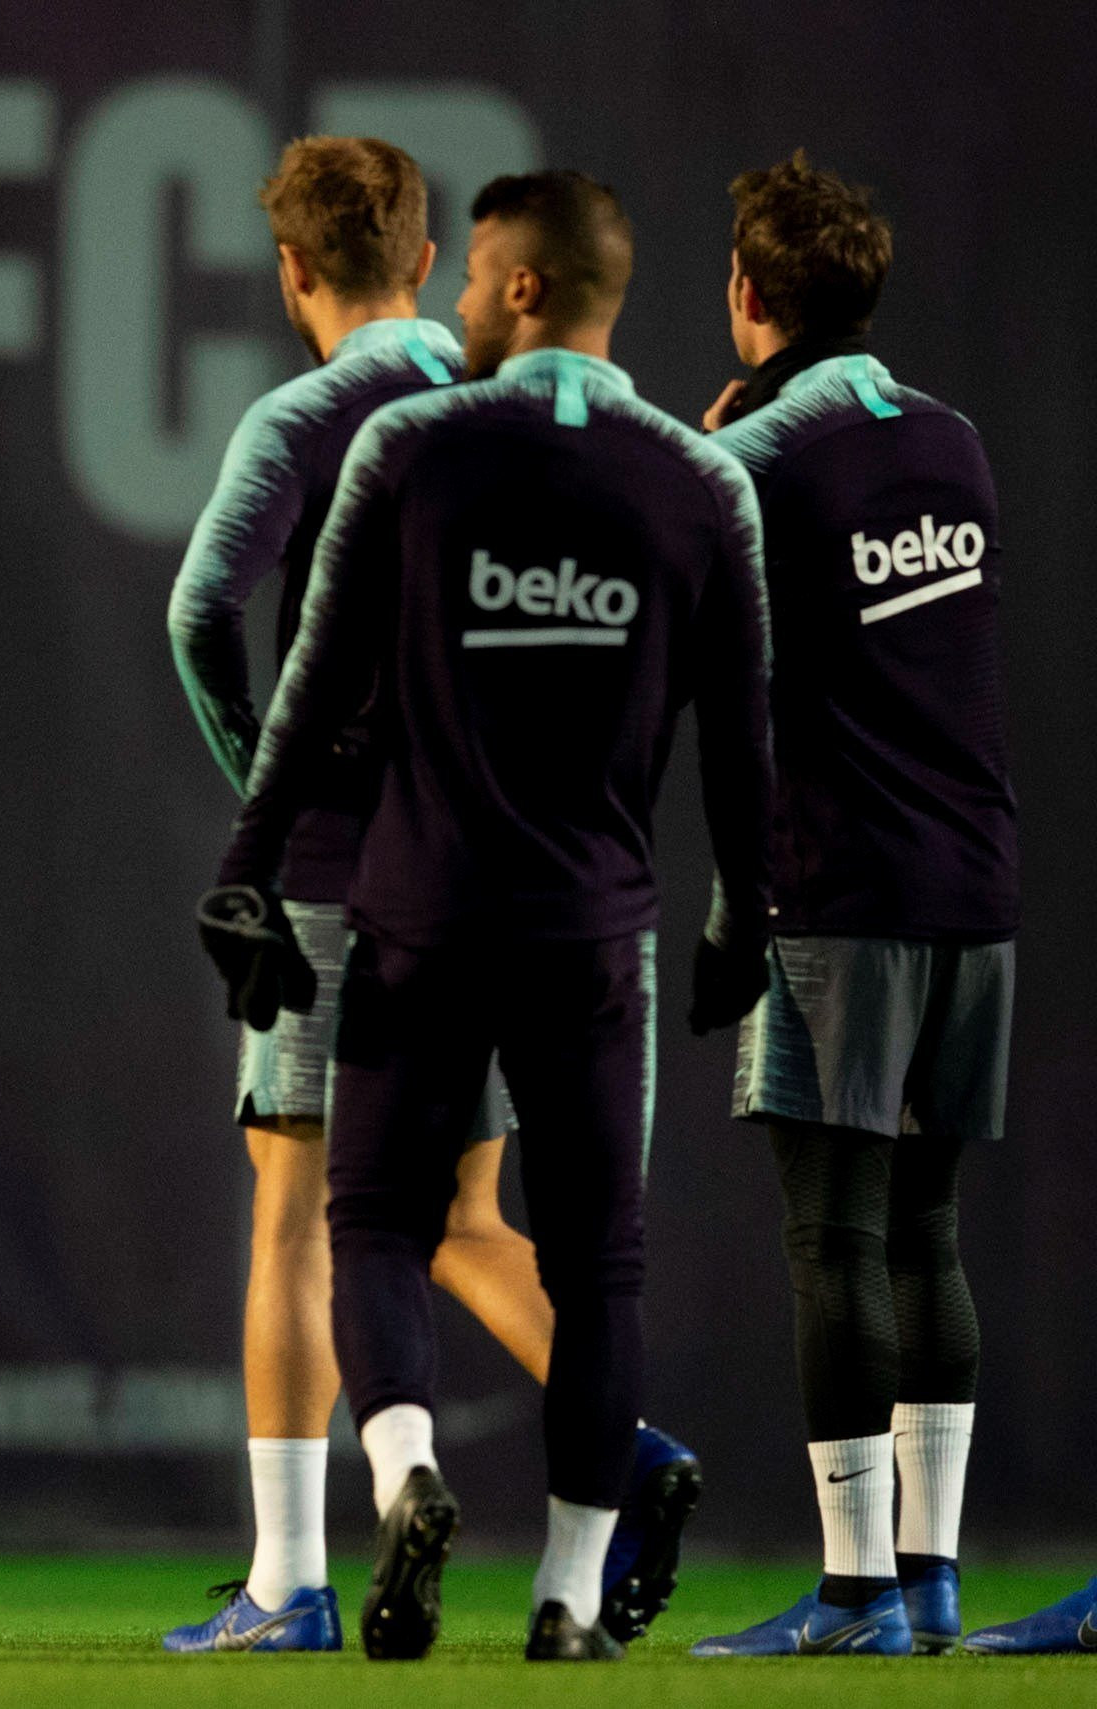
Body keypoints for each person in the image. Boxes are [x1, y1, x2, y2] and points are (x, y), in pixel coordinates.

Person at [204, 171, 774, 1662]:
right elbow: (746, 736)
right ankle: (569, 1603)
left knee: (369, 1225)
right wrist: (748, 917)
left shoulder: (408, 446)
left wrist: (250, 858)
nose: (454, 310)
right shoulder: (699, 479)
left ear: (520, 286)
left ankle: (398, 1482)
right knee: (599, 1265)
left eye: (474, 288)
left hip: (415, 911)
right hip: (594, 931)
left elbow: (311, 670)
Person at [687, 154, 1013, 1661]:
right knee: (926, 1230)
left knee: (834, 1236)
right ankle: (933, 1578)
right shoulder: (952, 442)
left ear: (751, 298)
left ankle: (856, 1593)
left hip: (839, 888)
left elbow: (718, 669)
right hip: (975, 884)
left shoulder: (758, 455)